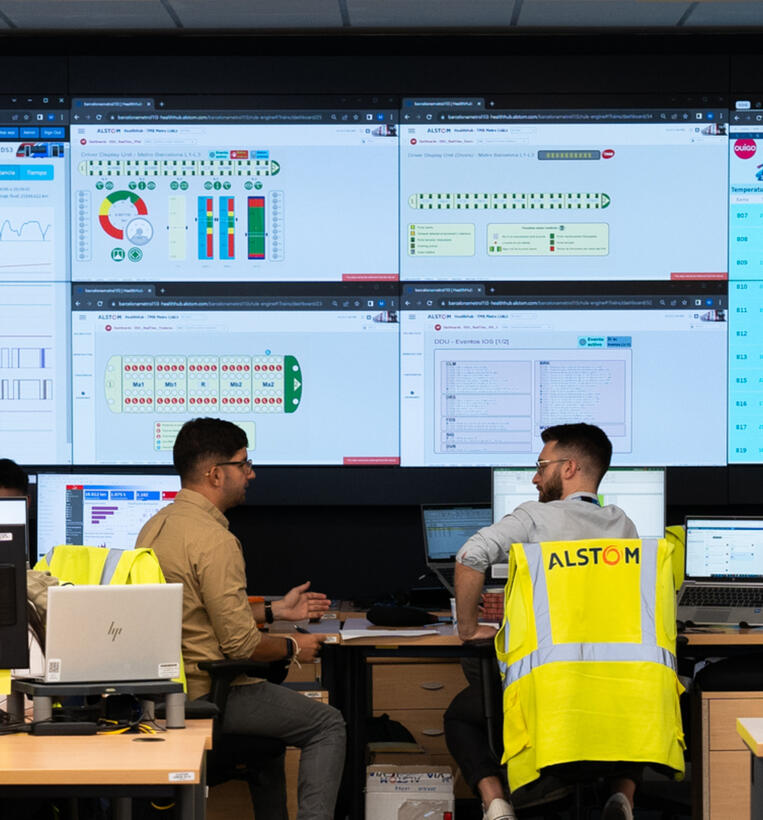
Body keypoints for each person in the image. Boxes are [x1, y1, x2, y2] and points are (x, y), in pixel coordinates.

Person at [135, 418, 345, 820]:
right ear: (216, 474)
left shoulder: (156, 526)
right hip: (210, 691)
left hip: (165, 691)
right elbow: (242, 646)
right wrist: (294, 646)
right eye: (244, 464)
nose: (251, 473)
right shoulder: (215, 540)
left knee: (271, 744)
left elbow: (194, 609)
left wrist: (274, 611)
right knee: (327, 724)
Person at [446, 423, 639, 820]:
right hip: (615, 691)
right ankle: (622, 798)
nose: (535, 478)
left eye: (541, 466)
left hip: (547, 694)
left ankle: (496, 803)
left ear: (569, 468)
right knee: (643, 701)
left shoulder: (534, 517)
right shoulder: (625, 526)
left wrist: (468, 628)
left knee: (460, 716)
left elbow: (469, 556)